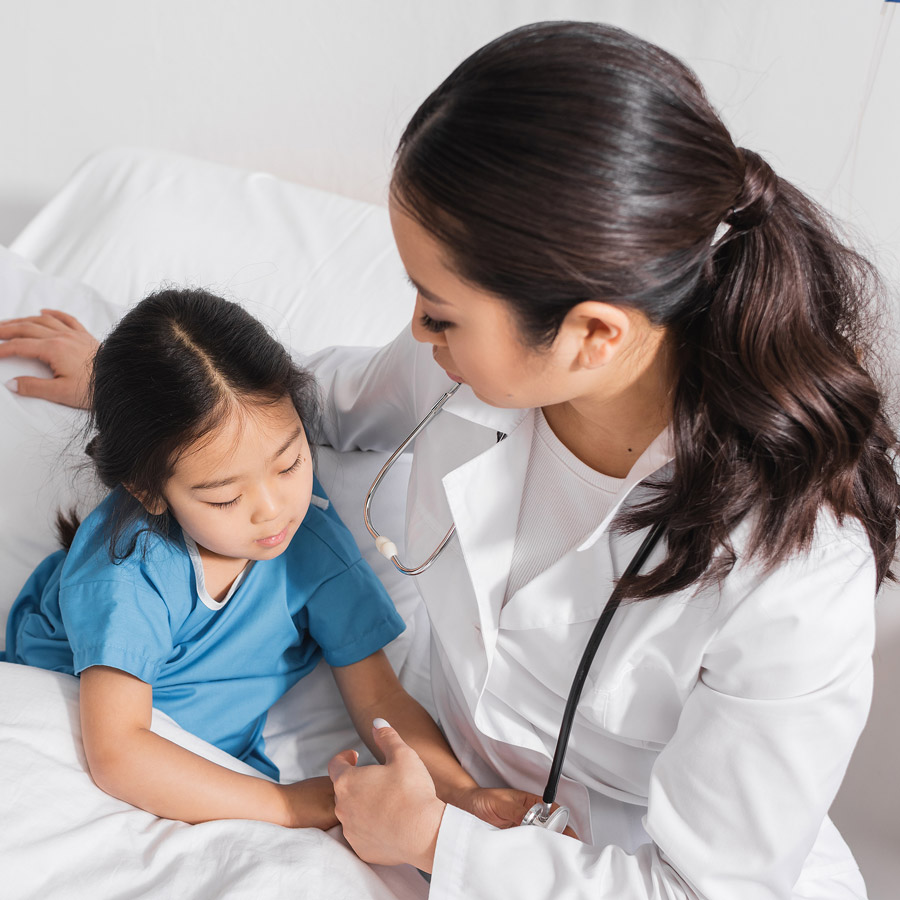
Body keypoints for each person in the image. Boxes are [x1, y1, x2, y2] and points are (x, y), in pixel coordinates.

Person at [2, 20, 896, 900]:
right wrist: (144, 398)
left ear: (592, 334)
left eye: (440, 312)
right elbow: (324, 401)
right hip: (445, 779)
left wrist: (440, 838)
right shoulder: (468, 373)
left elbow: (705, 891)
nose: (420, 335)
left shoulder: (797, 571)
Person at [1, 287, 539, 833]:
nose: (272, 511)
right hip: (82, 739)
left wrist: (461, 795)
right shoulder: (128, 569)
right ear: (149, 491)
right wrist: (290, 804)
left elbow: (378, 695)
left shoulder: (308, 541)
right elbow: (118, 754)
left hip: (218, 764)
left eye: (289, 464)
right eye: (225, 499)